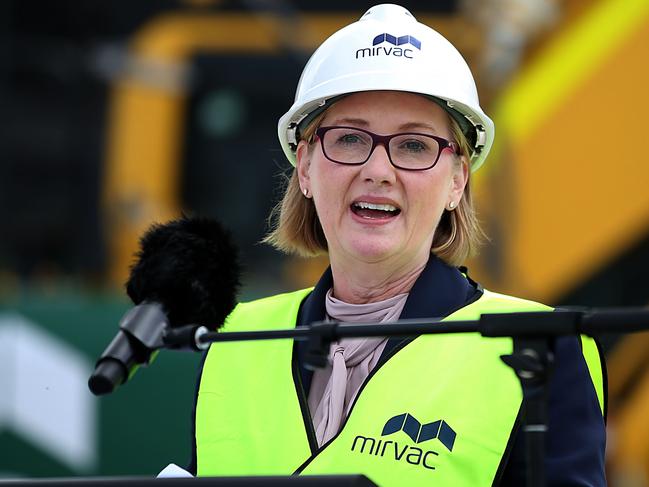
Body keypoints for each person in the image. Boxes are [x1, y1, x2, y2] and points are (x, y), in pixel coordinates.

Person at [189, 4, 606, 485]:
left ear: (456, 182)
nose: (378, 170)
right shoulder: (234, 341)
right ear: (305, 167)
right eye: (348, 139)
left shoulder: (540, 348)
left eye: (414, 146)